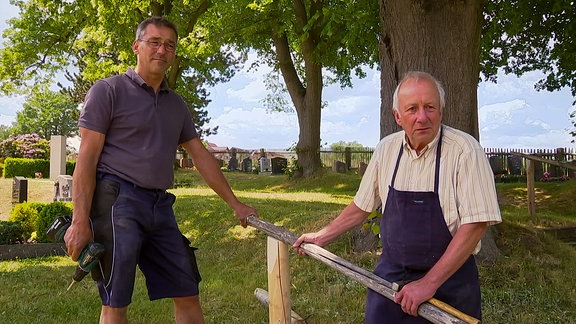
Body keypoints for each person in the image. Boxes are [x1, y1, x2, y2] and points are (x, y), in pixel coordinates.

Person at [64, 16, 257, 324]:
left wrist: (236, 204)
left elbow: (201, 156)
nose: (162, 50)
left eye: (170, 45)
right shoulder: (108, 91)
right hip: (117, 203)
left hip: (160, 206)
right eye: (154, 42)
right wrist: (79, 221)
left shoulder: (177, 106)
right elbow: (86, 160)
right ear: (137, 46)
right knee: (116, 301)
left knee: (187, 290)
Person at [294, 71, 501, 323]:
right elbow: (362, 205)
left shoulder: (465, 151)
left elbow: (475, 225)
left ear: (441, 111)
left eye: (430, 107)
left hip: (449, 283)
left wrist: (428, 283)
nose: (422, 117)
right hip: (390, 279)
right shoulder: (386, 149)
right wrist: (322, 235)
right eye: (412, 109)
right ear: (397, 116)